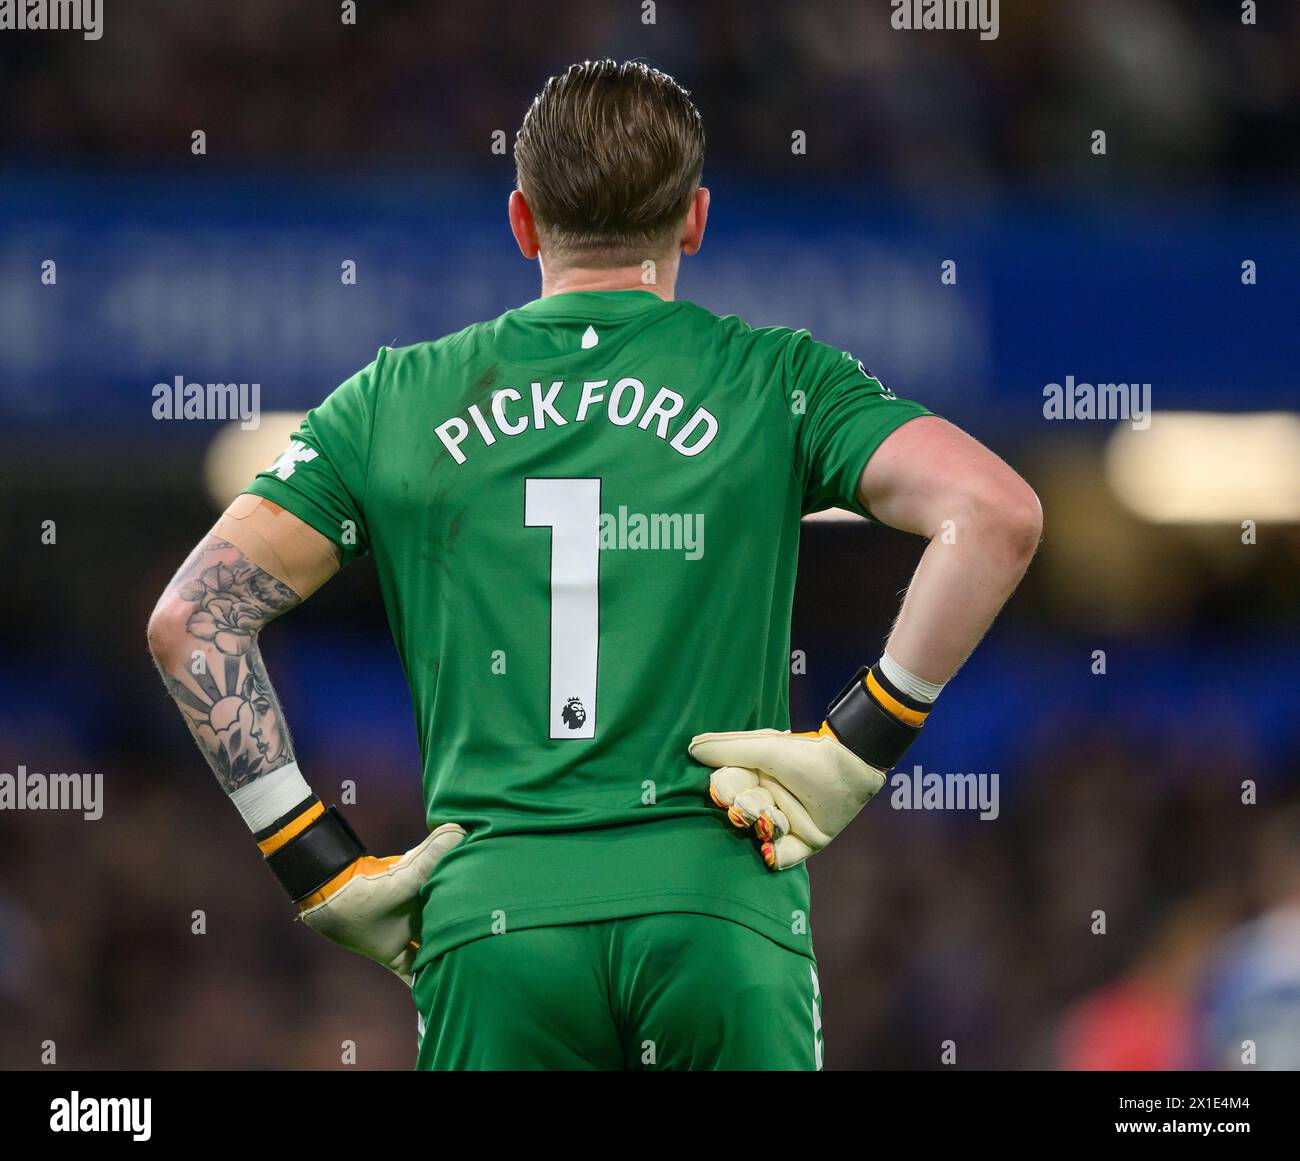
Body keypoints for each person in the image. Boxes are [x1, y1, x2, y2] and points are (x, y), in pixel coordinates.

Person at [146, 59, 1041, 1070]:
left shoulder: (392, 400)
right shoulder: (776, 379)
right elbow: (994, 513)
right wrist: (856, 746)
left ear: (523, 223)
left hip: (493, 928)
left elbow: (193, 620)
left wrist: (314, 862)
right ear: (694, 220)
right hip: (717, 909)